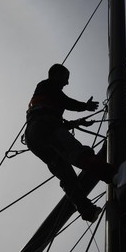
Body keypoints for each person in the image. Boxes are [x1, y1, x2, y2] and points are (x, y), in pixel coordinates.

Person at [25, 63, 115, 222]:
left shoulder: (45, 96)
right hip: (46, 127)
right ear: (55, 74)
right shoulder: (47, 85)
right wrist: (84, 106)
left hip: (35, 136)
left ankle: (86, 210)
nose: (67, 83)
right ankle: (113, 175)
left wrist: (78, 123)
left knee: (65, 173)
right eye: (65, 78)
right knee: (78, 154)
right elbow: (65, 102)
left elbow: (55, 118)